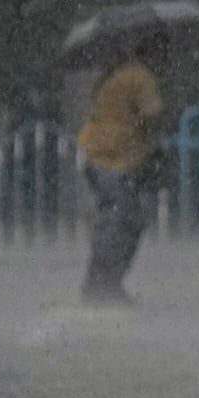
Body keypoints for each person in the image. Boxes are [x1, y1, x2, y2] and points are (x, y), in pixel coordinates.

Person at [76, 35, 170, 305]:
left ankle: (101, 281)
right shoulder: (140, 77)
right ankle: (103, 283)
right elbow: (153, 113)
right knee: (123, 220)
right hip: (117, 159)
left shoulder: (111, 75)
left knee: (116, 218)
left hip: (96, 154)